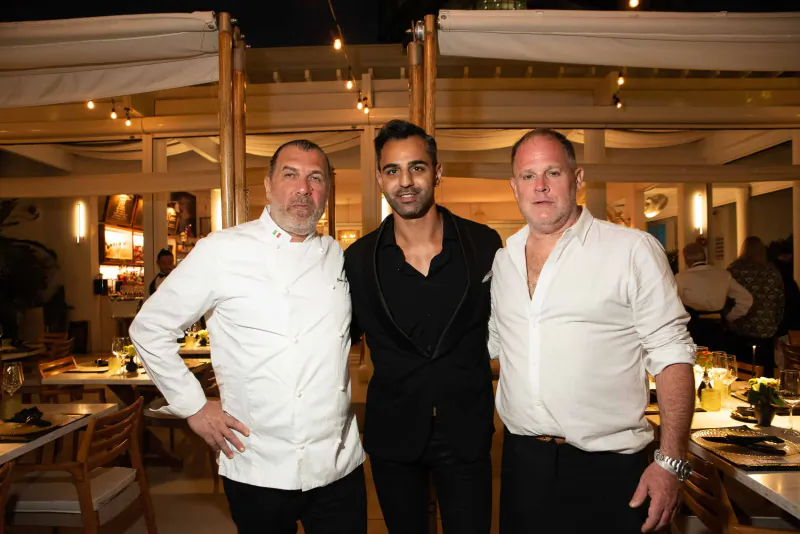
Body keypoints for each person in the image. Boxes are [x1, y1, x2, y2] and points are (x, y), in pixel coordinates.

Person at [130, 140, 366, 534]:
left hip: (338, 465)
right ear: (269, 186)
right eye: (290, 175)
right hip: (257, 465)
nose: (303, 188)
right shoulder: (220, 251)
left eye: (315, 178)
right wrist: (193, 406)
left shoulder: (338, 256)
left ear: (327, 190)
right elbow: (148, 328)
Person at [489, 129, 695, 534]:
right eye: (528, 176)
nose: (541, 187)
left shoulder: (631, 250)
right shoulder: (503, 259)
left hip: (611, 468)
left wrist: (671, 461)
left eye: (553, 172)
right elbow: (499, 348)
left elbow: (672, 354)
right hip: (522, 466)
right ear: (514, 186)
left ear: (578, 178)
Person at [344, 120, 502, 533]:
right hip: (394, 434)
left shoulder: (484, 245)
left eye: (417, 167)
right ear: (380, 178)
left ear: (437, 171)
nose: (406, 181)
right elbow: (332, 335)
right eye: (393, 170)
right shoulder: (359, 261)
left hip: (466, 432)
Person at [674, 242, 753, 350]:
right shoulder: (723, 275)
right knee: (716, 359)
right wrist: (730, 316)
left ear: (687, 259)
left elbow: (673, 304)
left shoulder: (681, 278)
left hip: (692, 327)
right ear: (704, 256)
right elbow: (746, 298)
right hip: (717, 325)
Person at [728, 236, 785, 377]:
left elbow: (727, 298)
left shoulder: (735, 270)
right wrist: (775, 325)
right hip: (767, 330)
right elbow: (780, 302)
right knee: (767, 373)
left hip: (742, 328)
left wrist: (729, 319)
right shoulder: (773, 272)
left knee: (742, 372)